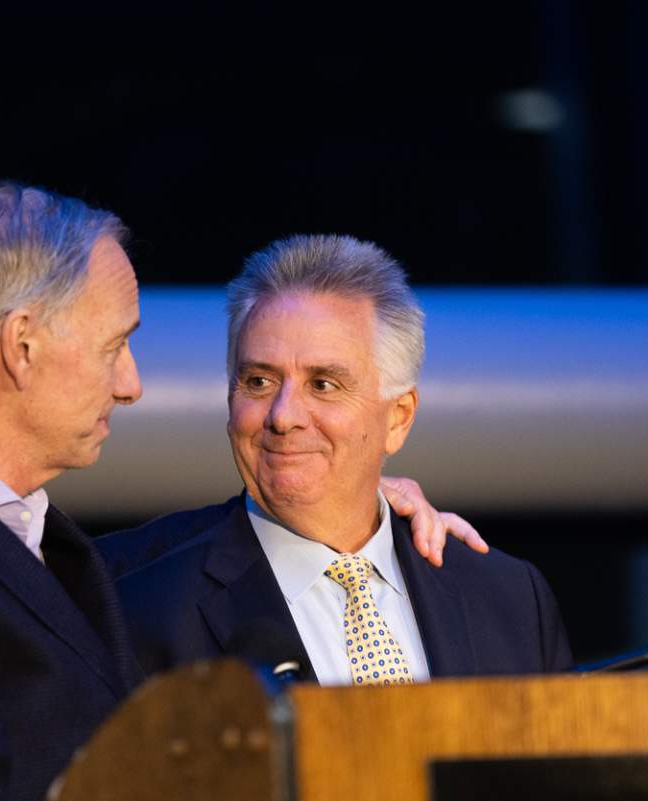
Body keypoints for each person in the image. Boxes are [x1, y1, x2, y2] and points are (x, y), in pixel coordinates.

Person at [0, 183, 485, 801]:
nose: (130, 384)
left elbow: (95, 581)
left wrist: (347, 508)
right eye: (114, 345)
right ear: (22, 345)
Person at [106, 235, 572, 684]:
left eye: (323, 385)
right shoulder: (137, 608)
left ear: (398, 418)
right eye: (259, 382)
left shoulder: (509, 599)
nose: (283, 416)